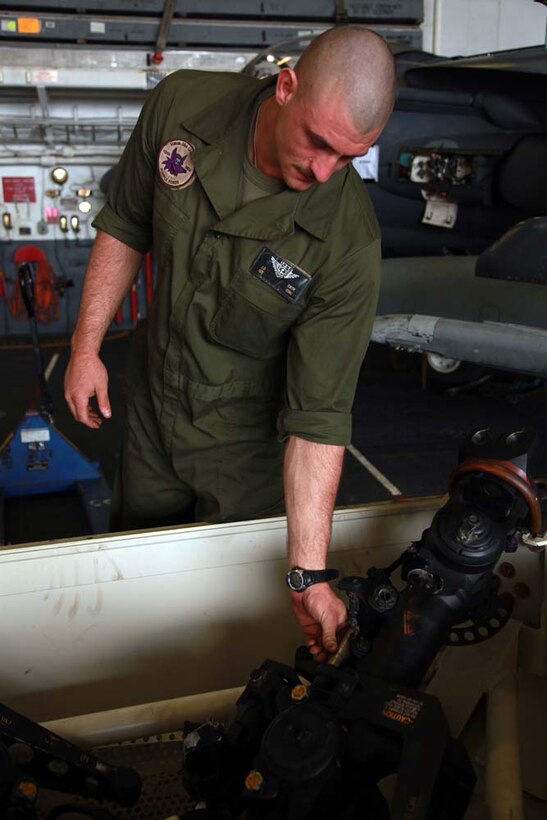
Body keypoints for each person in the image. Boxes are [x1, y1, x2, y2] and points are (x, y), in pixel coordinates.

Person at [64, 25, 396, 662]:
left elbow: (319, 418)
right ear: (286, 86)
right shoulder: (183, 108)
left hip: (247, 455)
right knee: (136, 588)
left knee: (231, 628)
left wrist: (308, 574)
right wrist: (85, 350)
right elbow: (126, 224)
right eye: (319, 143)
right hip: (152, 419)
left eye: (348, 158)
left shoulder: (347, 244)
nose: (324, 171)